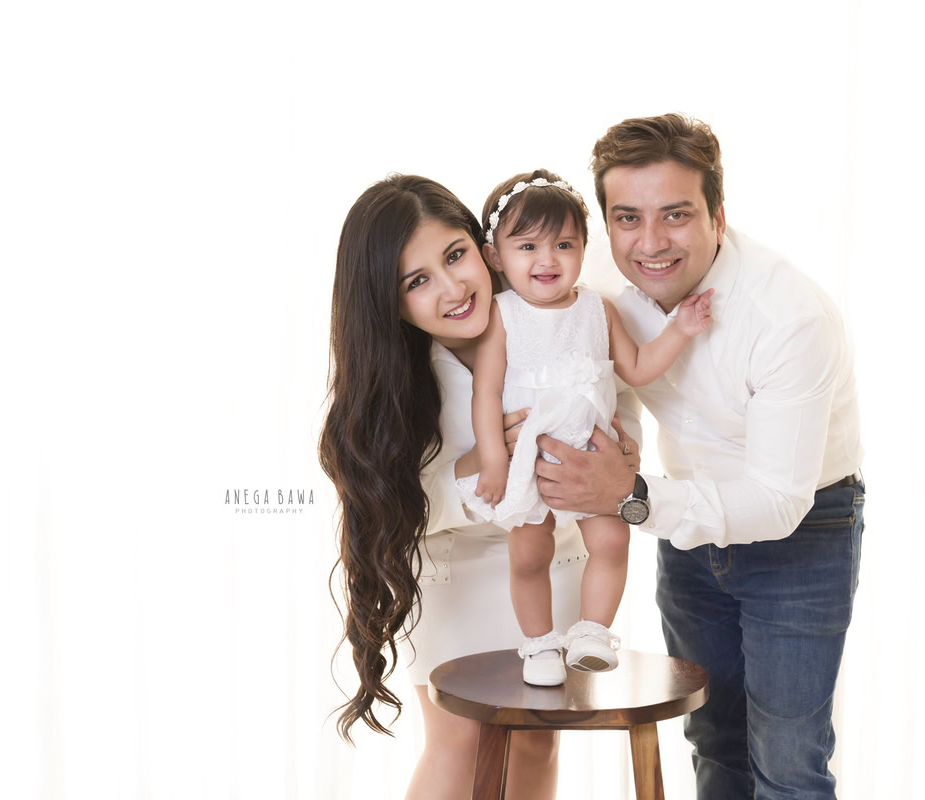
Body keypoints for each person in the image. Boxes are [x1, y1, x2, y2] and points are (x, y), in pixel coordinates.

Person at [533, 114, 865, 799]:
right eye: (627, 217)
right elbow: (600, 366)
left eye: (676, 215)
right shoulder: (598, 278)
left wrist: (630, 493)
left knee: (789, 756)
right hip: (683, 517)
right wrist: (616, 434)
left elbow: (777, 501)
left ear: (718, 215)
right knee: (713, 738)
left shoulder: (789, 317)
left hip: (802, 529)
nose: (650, 243)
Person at [318, 174, 641, 799]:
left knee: (537, 737)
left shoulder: (566, 314)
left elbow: (614, 414)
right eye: (417, 281)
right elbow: (394, 507)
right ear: (388, 302)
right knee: (461, 740)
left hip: (556, 563)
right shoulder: (395, 380)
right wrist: (480, 470)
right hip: (457, 577)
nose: (453, 287)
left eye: (455, 255)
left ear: (485, 246)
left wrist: (620, 460)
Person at [457, 169, 713, 686]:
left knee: (613, 540)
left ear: (582, 248)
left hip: (592, 458)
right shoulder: (502, 315)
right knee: (531, 552)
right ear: (494, 256)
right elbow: (485, 394)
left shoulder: (599, 309)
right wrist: (492, 459)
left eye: (564, 245)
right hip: (531, 454)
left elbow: (636, 369)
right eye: (527, 246)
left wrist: (681, 330)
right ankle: (538, 647)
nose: (547, 260)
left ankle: (592, 633)